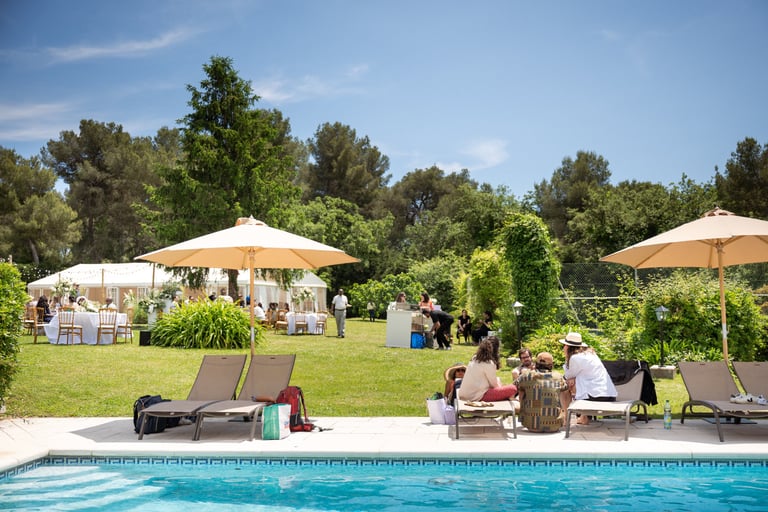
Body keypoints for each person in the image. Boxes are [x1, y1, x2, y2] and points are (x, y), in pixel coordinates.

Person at [558, 331, 617, 425]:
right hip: (609, 395)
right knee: (578, 382)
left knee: (565, 387)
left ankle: (566, 418)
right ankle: (583, 417)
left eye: (564, 346)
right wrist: (575, 378)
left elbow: (567, 376)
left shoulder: (575, 358)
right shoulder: (591, 354)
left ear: (568, 347)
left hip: (594, 397)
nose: (563, 348)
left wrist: (567, 359)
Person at [515, 352, 568, 433]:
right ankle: (565, 418)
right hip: (554, 425)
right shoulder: (558, 377)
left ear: (536, 364)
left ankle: (524, 415)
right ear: (551, 365)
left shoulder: (526, 375)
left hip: (531, 425)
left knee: (522, 389)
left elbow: (514, 386)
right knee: (563, 390)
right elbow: (566, 388)